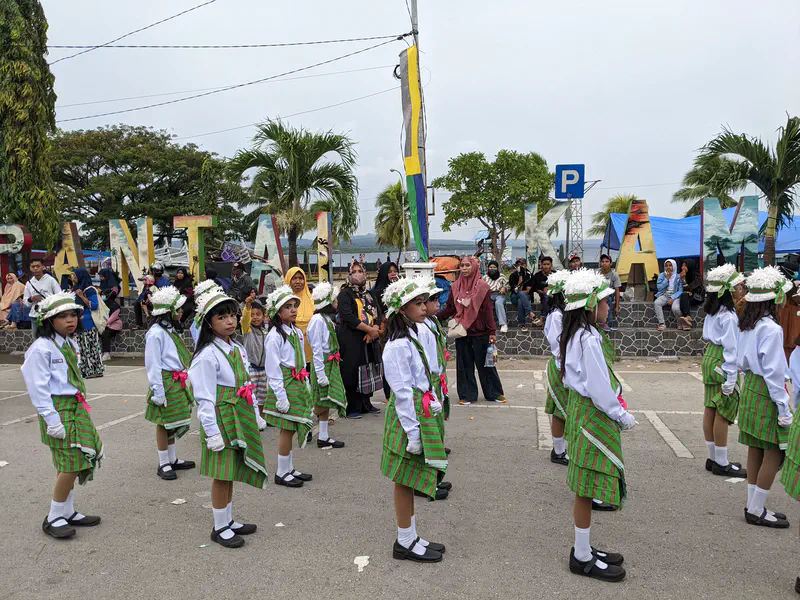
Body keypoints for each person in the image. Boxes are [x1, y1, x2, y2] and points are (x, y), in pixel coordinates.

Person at [560, 269, 635, 582]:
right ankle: (581, 556)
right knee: (586, 485)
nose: (608, 306)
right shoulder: (588, 339)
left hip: (582, 410)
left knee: (585, 486)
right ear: (591, 306)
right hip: (593, 412)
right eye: (604, 302)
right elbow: (599, 387)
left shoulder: (578, 334)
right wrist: (620, 414)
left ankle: (584, 548)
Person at [189, 286, 267, 549]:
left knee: (231, 471)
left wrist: (255, 414)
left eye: (232, 315)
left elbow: (246, 385)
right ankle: (219, 526)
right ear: (208, 323)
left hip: (238, 415)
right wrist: (212, 433)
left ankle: (228, 520)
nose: (230, 321)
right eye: (221, 317)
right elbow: (204, 398)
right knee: (221, 474)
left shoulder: (237, 348)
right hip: (221, 418)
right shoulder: (206, 355)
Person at [21, 292, 103, 539]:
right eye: (63, 316)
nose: (70, 320)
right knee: (72, 462)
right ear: (49, 320)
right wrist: (51, 419)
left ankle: (67, 511)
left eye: (73, 315)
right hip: (57, 409)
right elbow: (38, 387)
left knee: (67, 463)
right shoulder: (41, 348)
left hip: (74, 406)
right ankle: (54, 516)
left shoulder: (69, 343)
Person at [380, 277, 447, 562]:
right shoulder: (396, 346)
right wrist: (413, 431)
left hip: (419, 410)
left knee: (408, 479)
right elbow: (403, 392)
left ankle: (410, 536)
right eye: (418, 303)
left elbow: (422, 375)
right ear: (401, 309)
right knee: (403, 478)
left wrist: (432, 397)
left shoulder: (413, 335)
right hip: (406, 417)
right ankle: (404, 540)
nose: (423, 307)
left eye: (423, 302)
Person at [737, 266, 793, 529]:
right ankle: (756, 509)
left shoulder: (748, 324)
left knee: (756, 447)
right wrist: (783, 407)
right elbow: (774, 372)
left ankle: (753, 505)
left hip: (750, 386)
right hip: (766, 390)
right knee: (775, 450)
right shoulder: (771, 328)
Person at [262, 286, 314, 488]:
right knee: (286, 428)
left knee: (291, 429)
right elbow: (273, 368)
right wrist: (280, 395)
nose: (293, 310)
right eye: (287, 307)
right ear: (277, 311)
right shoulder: (274, 336)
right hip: (285, 384)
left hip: (297, 383)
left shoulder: (296, 332)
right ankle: (281, 471)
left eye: (294, 306)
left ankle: (289, 467)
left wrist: (306, 384)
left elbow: (300, 362)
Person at [436, 256, 505, 405]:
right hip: (462, 332)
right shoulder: (455, 287)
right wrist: (435, 318)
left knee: (486, 365)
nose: (464, 268)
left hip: (481, 332)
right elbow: (450, 308)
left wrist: (492, 331)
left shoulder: (483, 287)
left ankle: (494, 393)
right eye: (462, 266)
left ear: (474, 267)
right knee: (464, 365)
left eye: (467, 265)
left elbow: (488, 310)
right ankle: (467, 395)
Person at [144, 286, 197, 481]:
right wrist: (158, 391)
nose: (181, 311)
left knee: (173, 422)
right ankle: (163, 462)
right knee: (163, 422)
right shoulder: (155, 333)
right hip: (165, 381)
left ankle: (172, 458)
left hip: (176, 380)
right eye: (178, 308)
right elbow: (153, 364)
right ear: (168, 311)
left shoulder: (171, 330)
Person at [701, 264, 747, 478]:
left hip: (710, 356)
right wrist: (731, 376)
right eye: (738, 286)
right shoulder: (728, 316)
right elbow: (731, 348)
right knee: (723, 409)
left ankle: (713, 457)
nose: (741, 289)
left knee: (710, 406)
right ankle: (721, 461)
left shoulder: (714, 311)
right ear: (728, 291)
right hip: (722, 359)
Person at [337, 261, 382, 418]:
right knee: (352, 372)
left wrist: (374, 329)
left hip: (369, 338)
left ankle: (366, 404)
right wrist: (368, 329)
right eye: (354, 271)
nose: (357, 274)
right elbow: (347, 316)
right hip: (351, 339)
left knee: (367, 369)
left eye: (360, 271)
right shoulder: (345, 294)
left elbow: (377, 313)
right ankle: (352, 407)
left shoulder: (368, 294)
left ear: (365, 273)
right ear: (349, 274)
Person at [421, 280, 453, 498]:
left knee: (435, 427)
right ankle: (424, 483)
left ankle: (432, 478)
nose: (437, 303)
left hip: (434, 379)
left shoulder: (431, 322)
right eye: (432, 300)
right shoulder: (420, 328)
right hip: (426, 384)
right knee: (424, 434)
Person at [308, 282, 347, 448]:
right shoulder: (317, 320)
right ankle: (305, 422)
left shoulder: (326, 319)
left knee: (326, 401)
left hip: (330, 364)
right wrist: (321, 374)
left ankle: (323, 436)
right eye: (335, 300)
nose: (337, 303)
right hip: (322, 365)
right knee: (321, 402)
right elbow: (316, 349)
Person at [542, 270, 570, 465]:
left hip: (565, 364)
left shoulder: (562, 314)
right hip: (561, 365)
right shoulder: (556, 316)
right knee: (560, 410)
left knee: (564, 410)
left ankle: (562, 448)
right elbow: (557, 344)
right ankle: (558, 451)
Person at [70, 268, 104, 379]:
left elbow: (94, 305)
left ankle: (96, 370)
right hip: (78, 323)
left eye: (74, 275)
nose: (72, 277)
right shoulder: (75, 289)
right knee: (81, 348)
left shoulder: (89, 290)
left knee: (91, 347)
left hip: (88, 323)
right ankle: (85, 370)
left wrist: (81, 296)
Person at [240, 295, 269, 411]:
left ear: (263, 316)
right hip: (251, 369)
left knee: (262, 398)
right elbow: (245, 319)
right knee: (250, 397)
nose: (255, 317)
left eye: (258, 314)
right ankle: (252, 418)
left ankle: (261, 417)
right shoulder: (247, 329)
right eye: (252, 315)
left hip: (263, 370)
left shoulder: (265, 330)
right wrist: (247, 306)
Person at [24, 258, 61, 336]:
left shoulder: (51, 280)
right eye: (33, 266)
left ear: (43, 267)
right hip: (35, 315)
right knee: (36, 339)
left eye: (38, 266)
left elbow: (59, 295)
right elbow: (26, 301)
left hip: (50, 315)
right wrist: (31, 299)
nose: (35, 268)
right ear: (30, 268)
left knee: (51, 337)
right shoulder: (29, 283)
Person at [284, 267, 314, 364]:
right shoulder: (282, 303)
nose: (298, 281)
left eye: (301, 278)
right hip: (290, 348)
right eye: (294, 278)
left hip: (311, 348)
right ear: (288, 280)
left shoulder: (312, 300)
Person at [653, 259, 683, 331]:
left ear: (674, 266)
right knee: (657, 303)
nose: (668, 267)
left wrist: (673, 298)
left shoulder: (678, 277)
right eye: (666, 266)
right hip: (665, 295)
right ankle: (662, 323)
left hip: (675, 296)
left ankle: (680, 322)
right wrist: (666, 279)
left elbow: (680, 290)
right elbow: (659, 288)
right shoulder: (662, 275)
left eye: (670, 265)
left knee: (675, 308)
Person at [482, 260, 509, 333]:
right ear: (488, 268)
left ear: (497, 268)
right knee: (484, 304)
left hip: (499, 295)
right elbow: (481, 287)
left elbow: (508, 286)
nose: (492, 268)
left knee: (498, 303)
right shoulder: (485, 277)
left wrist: (504, 288)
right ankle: (485, 324)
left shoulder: (502, 276)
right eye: (491, 267)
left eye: (494, 267)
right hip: (488, 295)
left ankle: (503, 324)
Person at [598, 255, 622, 331]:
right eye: (602, 261)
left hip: (608, 295)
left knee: (608, 298)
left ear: (611, 263)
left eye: (607, 261)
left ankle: (607, 323)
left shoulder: (614, 275)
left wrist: (617, 307)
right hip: (597, 294)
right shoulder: (597, 273)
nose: (604, 263)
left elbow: (617, 291)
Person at [530, 256, 554, 327]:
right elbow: (534, 288)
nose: (546, 266)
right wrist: (541, 292)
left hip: (556, 294)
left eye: (548, 264)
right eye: (544, 264)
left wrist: (551, 288)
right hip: (544, 295)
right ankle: (544, 317)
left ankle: (544, 317)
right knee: (546, 297)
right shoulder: (537, 276)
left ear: (551, 265)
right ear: (541, 265)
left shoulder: (555, 274)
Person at [509, 258, 533, 327]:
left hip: (526, 296)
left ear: (526, 265)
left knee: (521, 300)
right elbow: (518, 291)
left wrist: (522, 274)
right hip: (514, 296)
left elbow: (527, 291)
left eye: (522, 264)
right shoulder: (513, 276)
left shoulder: (529, 275)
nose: (520, 266)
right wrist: (520, 276)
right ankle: (530, 312)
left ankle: (522, 324)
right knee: (521, 294)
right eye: (518, 265)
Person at [678, 259, 701, 330]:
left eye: (685, 266)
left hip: (697, 296)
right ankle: (687, 318)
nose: (683, 268)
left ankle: (687, 318)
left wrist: (684, 279)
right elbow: (685, 289)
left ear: (690, 266)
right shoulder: (684, 275)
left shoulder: (697, 276)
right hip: (688, 296)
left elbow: (690, 288)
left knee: (684, 295)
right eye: (682, 266)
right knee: (684, 295)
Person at [100, 290, 122, 361]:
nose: (102, 296)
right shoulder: (102, 304)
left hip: (114, 325)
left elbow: (113, 318)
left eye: (103, 294)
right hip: (104, 324)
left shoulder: (116, 306)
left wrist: (104, 324)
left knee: (105, 333)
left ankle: (106, 354)